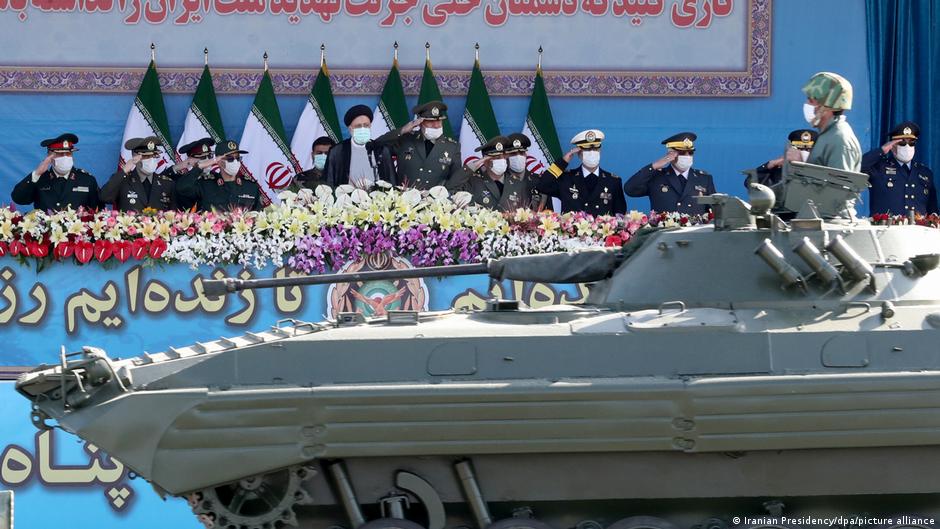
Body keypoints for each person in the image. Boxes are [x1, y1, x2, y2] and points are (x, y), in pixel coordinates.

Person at [373, 101, 468, 191]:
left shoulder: (452, 147)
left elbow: (455, 179)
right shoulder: (406, 140)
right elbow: (376, 144)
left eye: (439, 121)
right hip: (404, 202)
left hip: (435, 204)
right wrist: (402, 130)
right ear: (420, 122)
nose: (436, 125)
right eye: (431, 122)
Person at [536, 129, 626, 215]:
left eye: (595, 149)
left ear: (600, 151)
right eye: (587, 149)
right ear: (579, 154)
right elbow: (542, 186)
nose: (592, 153)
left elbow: (620, 214)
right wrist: (563, 162)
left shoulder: (613, 181)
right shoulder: (566, 179)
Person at [623, 132, 715, 215]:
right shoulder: (656, 176)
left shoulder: (704, 179)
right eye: (682, 153)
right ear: (671, 154)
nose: (687, 156)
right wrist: (653, 166)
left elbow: (714, 211)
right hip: (664, 232)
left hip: (693, 233)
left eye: (690, 153)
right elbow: (630, 189)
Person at [862, 121, 937, 216]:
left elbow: (933, 212)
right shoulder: (879, 167)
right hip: (886, 229)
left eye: (911, 143)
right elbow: (858, 167)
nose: (907, 147)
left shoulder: (925, 173)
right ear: (892, 146)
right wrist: (882, 150)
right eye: (902, 143)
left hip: (918, 229)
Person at [11, 133, 100, 211]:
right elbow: (19, 199)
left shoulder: (87, 180)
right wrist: (37, 173)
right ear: (50, 156)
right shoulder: (40, 179)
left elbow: (97, 210)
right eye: (60, 154)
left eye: (68, 153)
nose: (65, 157)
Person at [175, 140, 264, 211]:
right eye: (230, 159)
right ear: (220, 162)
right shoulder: (205, 185)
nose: (235, 162)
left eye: (237, 158)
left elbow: (259, 215)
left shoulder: (250, 186)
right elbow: (181, 188)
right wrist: (200, 166)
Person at [801, 71, 861, 172]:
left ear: (828, 107)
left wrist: (801, 166)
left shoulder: (840, 141)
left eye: (811, 101)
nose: (806, 104)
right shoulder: (827, 134)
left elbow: (839, 186)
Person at [324, 105, 395, 189]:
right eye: (358, 126)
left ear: (370, 126)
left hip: (378, 199)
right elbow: (329, 182)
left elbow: (392, 180)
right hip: (346, 199)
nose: (362, 128)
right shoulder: (337, 151)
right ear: (350, 129)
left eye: (366, 125)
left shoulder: (381, 149)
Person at [100, 137, 177, 211]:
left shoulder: (167, 183)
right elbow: (104, 197)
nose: (151, 160)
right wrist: (124, 170)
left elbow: (173, 215)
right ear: (135, 157)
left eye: (154, 156)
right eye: (146, 156)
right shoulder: (123, 180)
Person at [466, 135, 537, 212]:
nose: (501, 160)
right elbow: (453, 186)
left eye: (503, 157)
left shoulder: (518, 185)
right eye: (496, 157)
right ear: (485, 161)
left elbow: (527, 216)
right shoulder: (474, 182)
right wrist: (477, 163)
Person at [745, 129, 817, 190]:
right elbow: (749, 183)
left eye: (807, 150)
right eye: (798, 149)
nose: (801, 153)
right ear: (790, 149)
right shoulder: (780, 167)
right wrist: (769, 165)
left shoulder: (821, 168)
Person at [505, 132, 548, 211]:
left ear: (526, 155)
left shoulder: (539, 181)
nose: (518, 156)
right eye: (513, 153)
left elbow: (549, 213)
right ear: (506, 156)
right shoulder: (501, 181)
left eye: (521, 153)